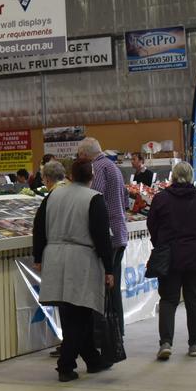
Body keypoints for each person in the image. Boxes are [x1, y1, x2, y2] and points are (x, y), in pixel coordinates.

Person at [32, 159, 115, 382]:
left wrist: (38, 256)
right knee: (79, 315)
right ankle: (65, 365)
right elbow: (102, 237)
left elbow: (38, 227)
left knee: (73, 313)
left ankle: (93, 360)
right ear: (92, 176)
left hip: (55, 257)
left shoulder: (53, 196)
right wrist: (109, 268)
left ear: (70, 175)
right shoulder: (94, 199)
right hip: (82, 259)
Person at [146, 161, 196, 360]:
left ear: (173, 176)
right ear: (191, 177)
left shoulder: (161, 198)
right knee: (195, 301)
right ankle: (194, 345)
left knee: (168, 300)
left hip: (170, 255)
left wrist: (162, 244)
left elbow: (152, 226)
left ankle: (166, 343)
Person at [76, 138, 128, 334]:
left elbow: (92, 199)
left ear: (85, 155)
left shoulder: (97, 169)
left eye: (80, 156)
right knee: (113, 289)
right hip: (119, 232)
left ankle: (105, 335)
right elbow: (123, 201)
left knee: (104, 288)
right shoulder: (112, 166)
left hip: (108, 235)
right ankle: (117, 332)